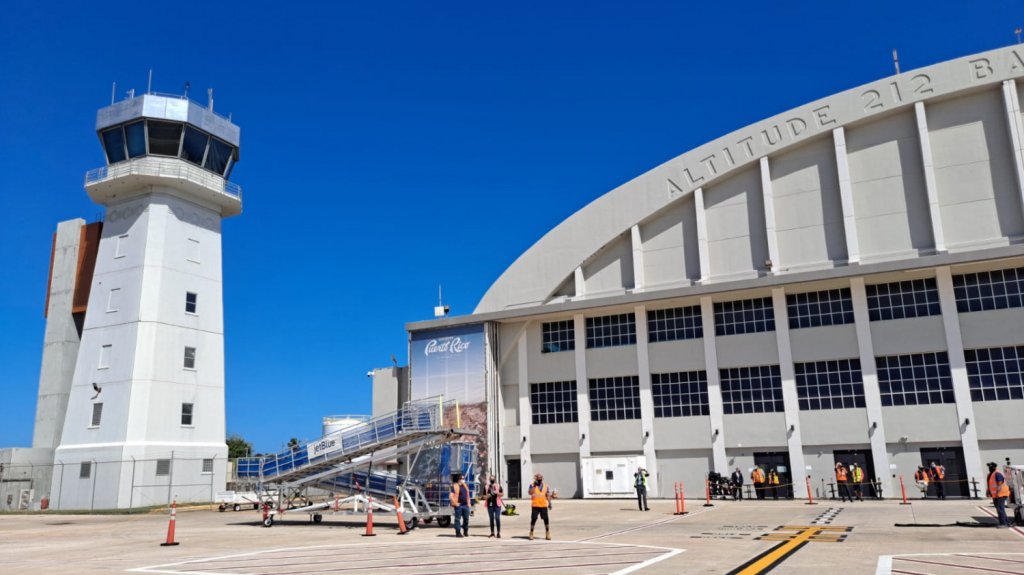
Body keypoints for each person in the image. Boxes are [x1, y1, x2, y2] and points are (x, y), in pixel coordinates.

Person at [987, 462, 1011, 528]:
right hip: (996, 495)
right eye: (989, 467)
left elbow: (1000, 483)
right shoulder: (992, 474)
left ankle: (1004, 524)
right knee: (1000, 508)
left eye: (991, 467)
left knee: (1000, 509)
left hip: (1001, 494)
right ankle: (1006, 522)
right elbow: (991, 484)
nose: (989, 468)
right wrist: (988, 491)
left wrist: (998, 492)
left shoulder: (997, 473)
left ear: (994, 467)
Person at [528, 473, 552, 540]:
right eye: (538, 478)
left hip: (543, 505)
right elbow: (530, 492)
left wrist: (550, 503)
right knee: (533, 519)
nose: (539, 479)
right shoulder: (532, 485)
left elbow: (547, 495)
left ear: (542, 478)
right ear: (535, 478)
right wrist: (534, 486)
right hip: (535, 505)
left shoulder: (546, 486)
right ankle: (531, 532)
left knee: (546, 519)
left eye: (540, 478)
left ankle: (547, 533)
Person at [450, 473, 471, 538]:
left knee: (466, 519)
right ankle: (458, 532)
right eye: (462, 478)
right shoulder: (455, 486)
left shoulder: (465, 485)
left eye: (464, 478)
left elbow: (468, 495)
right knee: (457, 519)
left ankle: (465, 531)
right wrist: (455, 503)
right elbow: (451, 496)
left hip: (465, 505)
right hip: (459, 505)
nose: (463, 479)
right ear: (459, 479)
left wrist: (469, 503)